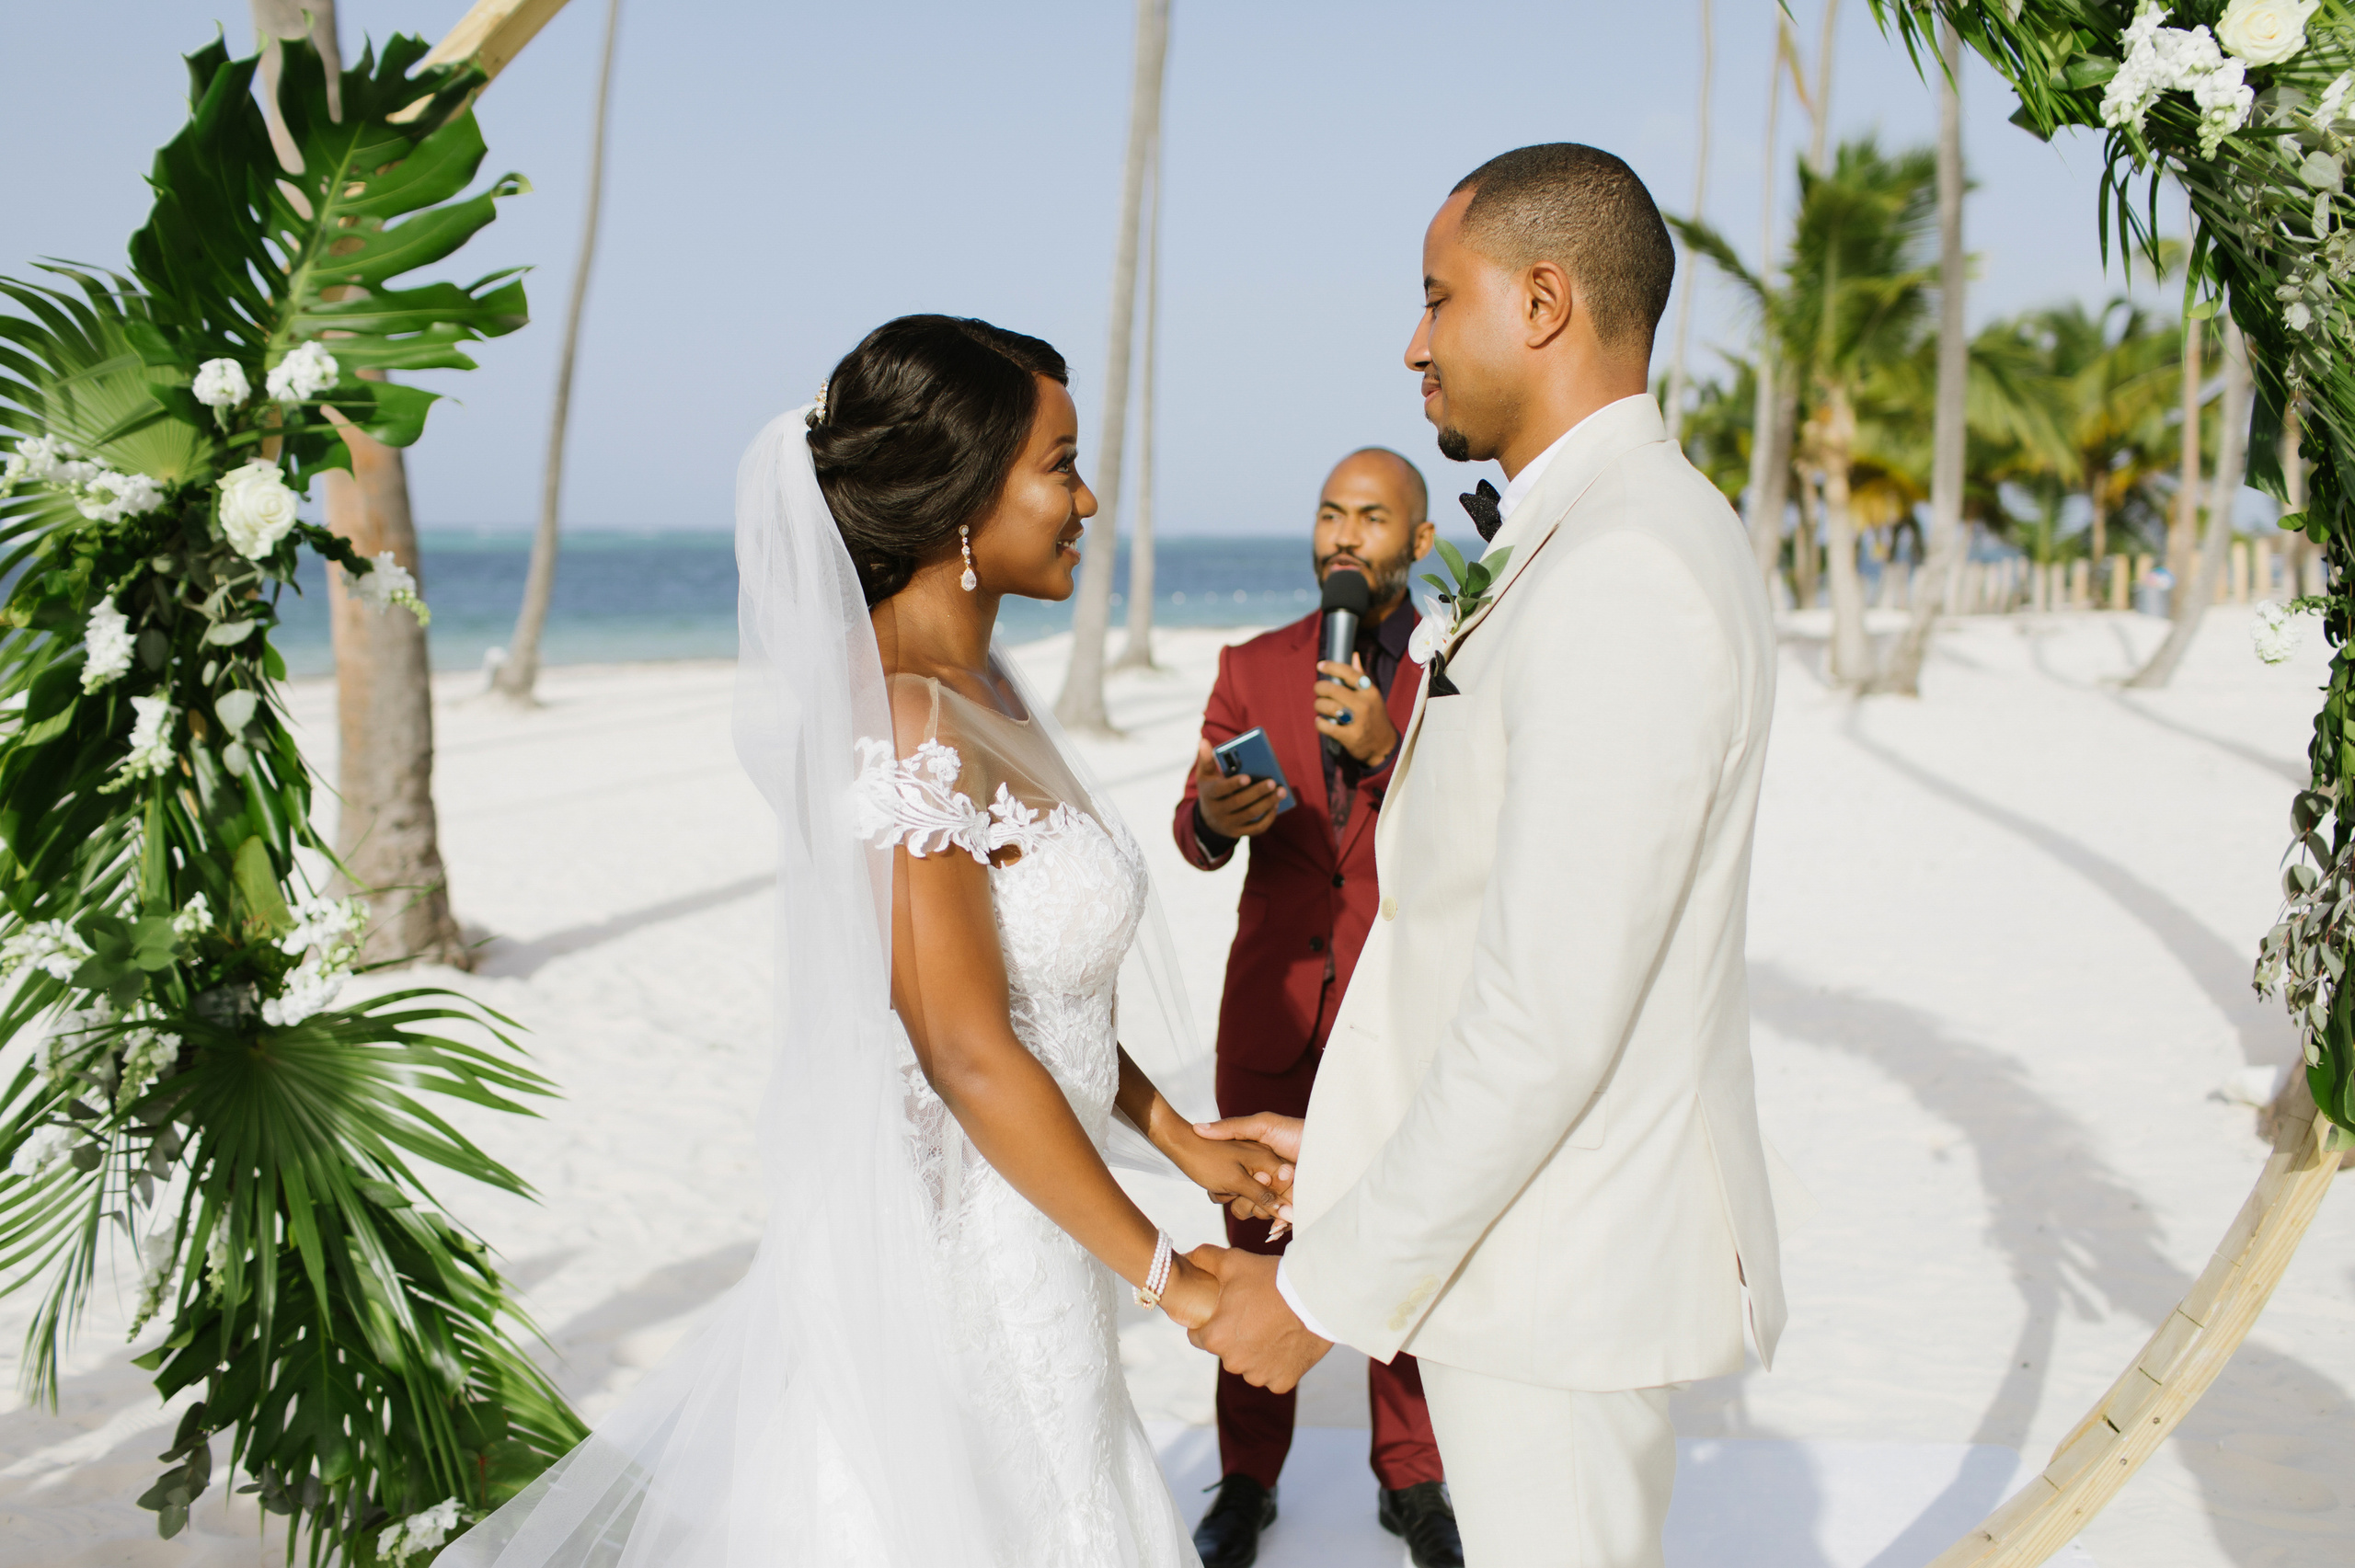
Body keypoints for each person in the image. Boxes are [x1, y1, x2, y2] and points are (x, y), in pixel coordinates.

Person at [444, 315, 1293, 1568]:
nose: (1086, 500)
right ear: (962, 495)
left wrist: (1181, 1138)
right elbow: (961, 1047)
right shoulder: (904, 718)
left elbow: (1031, 994)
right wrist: (1178, 1278)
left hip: (1046, 1230)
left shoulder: (989, 688)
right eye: (1061, 465)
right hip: (962, 1261)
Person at [1189, 144, 1789, 1567]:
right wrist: (1348, 1143)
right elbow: (1470, 928)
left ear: (1541, 301)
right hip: (1523, 1256)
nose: (1412, 345)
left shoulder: (1626, 566)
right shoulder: (1582, 535)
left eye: (1434, 296)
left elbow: (1547, 1018)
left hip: (1562, 1278)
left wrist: (1317, 1293)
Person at [1171, 450, 1462, 1568]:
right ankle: (1247, 1479)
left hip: (1401, 1020)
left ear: (1419, 541)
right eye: (1331, 513)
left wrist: (1387, 759)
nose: (1345, 535)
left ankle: (1414, 1477)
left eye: (1372, 517)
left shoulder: (1458, 669)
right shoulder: (1250, 666)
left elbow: (1478, 840)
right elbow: (1193, 835)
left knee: (1405, 1243)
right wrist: (1215, 813)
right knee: (1249, 1251)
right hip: (1272, 1017)